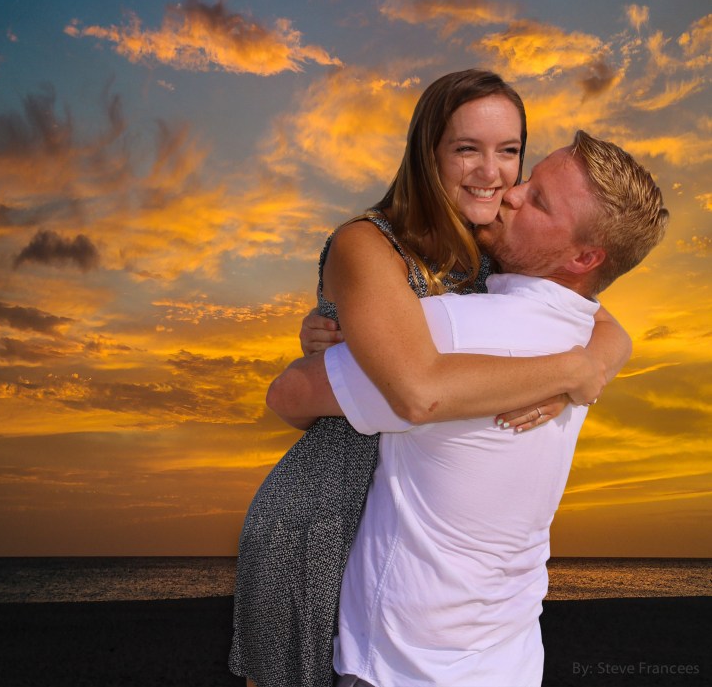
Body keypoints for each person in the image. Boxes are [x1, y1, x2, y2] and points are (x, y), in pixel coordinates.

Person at [229, 71, 630, 687]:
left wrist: (589, 367)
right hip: (327, 510)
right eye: (466, 148)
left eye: (510, 151)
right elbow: (318, 398)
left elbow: (602, 319)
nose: (492, 173)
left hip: (404, 515)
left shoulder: (496, 243)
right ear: (428, 153)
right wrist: (567, 371)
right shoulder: (367, 244)